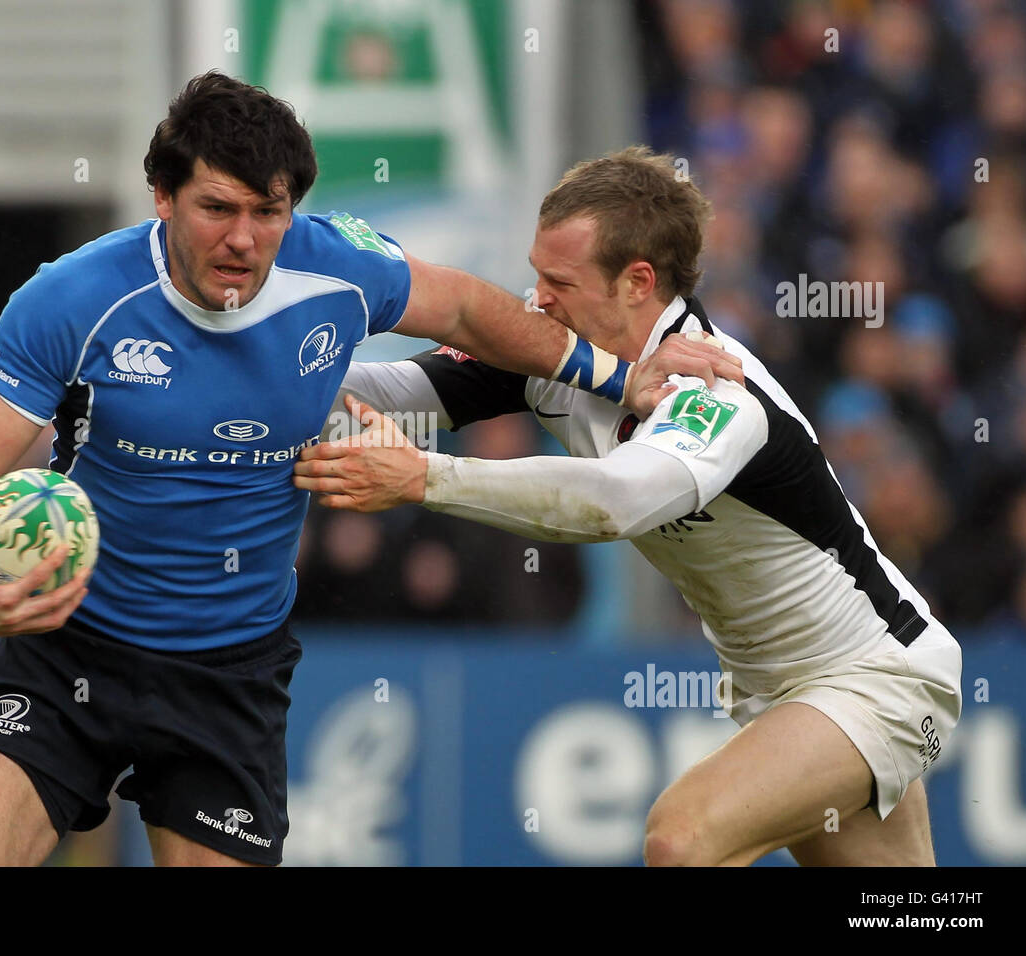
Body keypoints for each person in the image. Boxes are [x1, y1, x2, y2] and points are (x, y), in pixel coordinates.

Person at [0, 75, 739, 867]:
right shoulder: (74, 299)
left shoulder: (336, 267)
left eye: (268, 212)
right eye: (216, 208)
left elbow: (471, 308)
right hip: (66, 648)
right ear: (162, 198)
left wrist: (618, 375)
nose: (244, 239)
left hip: (226, 674)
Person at [295, 146, 963, 866]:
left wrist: (424, 477)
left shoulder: (716, 389)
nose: (536, 298)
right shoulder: (558, 356)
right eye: (535, 274)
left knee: (681, 839)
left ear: (636, 282)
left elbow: (615, 502)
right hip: (782, 696)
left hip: (879, 678)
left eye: (559, 282)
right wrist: (263, 366)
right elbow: (380, 396)